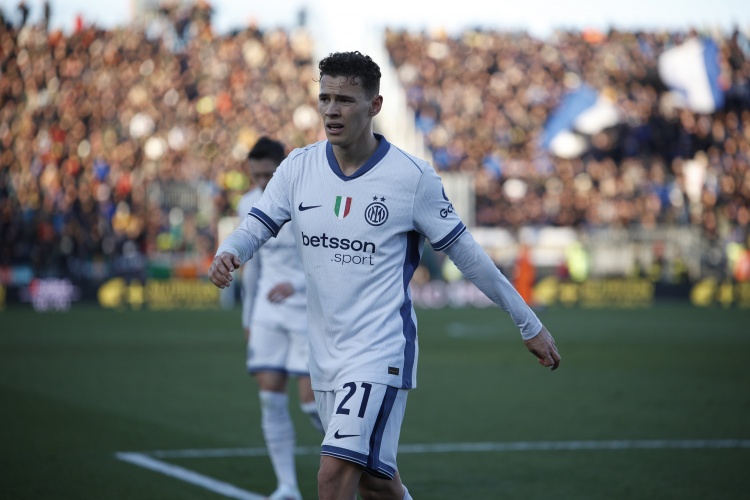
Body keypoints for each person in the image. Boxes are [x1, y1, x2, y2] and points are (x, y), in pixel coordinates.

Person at [210, 51, 561, 500]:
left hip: (379, 351)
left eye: (345, 100)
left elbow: (468, 256)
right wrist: (230, 252)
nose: (332, 110)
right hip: (324, 353)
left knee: (333, 476)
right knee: (376, 484)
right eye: (325, 98)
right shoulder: (298, 167)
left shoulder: (411, 178)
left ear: (374, 105)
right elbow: (256, 224)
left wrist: (528, 323)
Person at [237, 137, 324, 500]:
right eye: (256, 175)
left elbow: (328, 259)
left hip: (307, 312)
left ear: (283, 168)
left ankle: (360, 458)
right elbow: (252, 268)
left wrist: (297, 285)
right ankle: (286, 486)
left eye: (268, 175)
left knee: (311, 403)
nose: (261, 182)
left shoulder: (311, 200)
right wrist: (248, 318)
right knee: (270, 399)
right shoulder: (248, 204)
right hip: (267, 314)